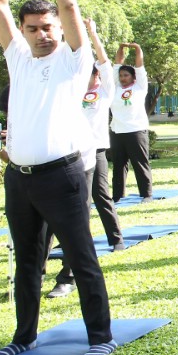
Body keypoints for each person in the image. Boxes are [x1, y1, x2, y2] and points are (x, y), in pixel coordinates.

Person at [0, 0, 117, 355]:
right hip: (19, 179)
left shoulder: (72, 58)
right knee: (28, 260)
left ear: (59, 30)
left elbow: (70, 4)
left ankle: (100, 335)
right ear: (23, 32)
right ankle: (24, 336)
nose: (42, 34)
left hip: (61, 175)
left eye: (48, 28)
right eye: (33, 29)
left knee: (81, 256)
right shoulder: (18, 58)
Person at [47, 18, 126, 298]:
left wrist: (91, 32)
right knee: (48, 217)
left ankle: (71, 273)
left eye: (94, 74)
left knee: (92, 204)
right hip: (58, 157)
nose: (91, 76)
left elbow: (103, 62)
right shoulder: (67, 89)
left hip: (92, 154)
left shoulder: (104, 91)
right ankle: (38, 267)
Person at [109, 41, 152, 202]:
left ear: (133, 77)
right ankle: (117, 195)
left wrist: (137, 48)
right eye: (121, 75)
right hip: (117, 131)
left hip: (136, 131)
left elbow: (140, 67)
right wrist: (120, 48)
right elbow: (116, 64)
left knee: (140, 163)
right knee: (119, 166)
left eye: (126, 75)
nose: (123, 78)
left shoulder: (140, 86)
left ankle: (146, 194)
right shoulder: (115, 87)